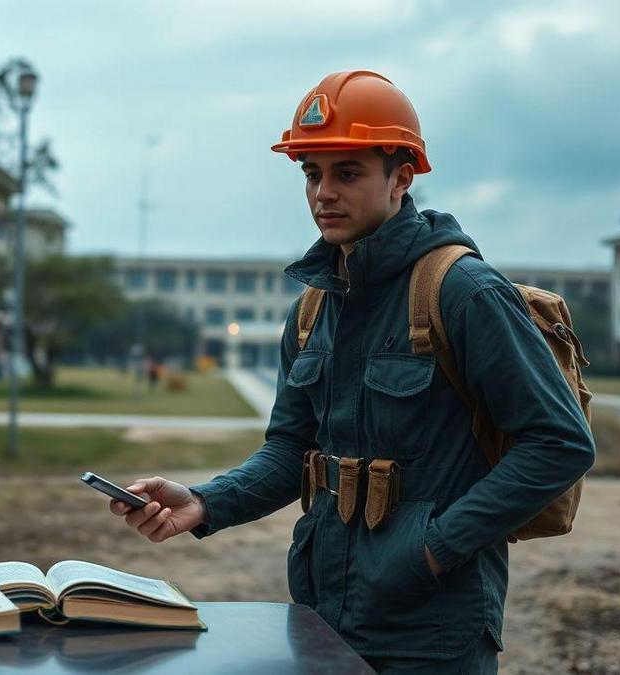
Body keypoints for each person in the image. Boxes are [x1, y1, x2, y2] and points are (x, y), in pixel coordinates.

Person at [107, 70, 595, 673]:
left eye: (348, 172)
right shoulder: (313, 309)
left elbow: (559, 443)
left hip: (433, 628)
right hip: (321, 612)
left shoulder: (463, 291)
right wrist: (205, 502)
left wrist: (433, 550)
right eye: (312, 174)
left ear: (402, 177)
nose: (323, 194)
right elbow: (290, 450)